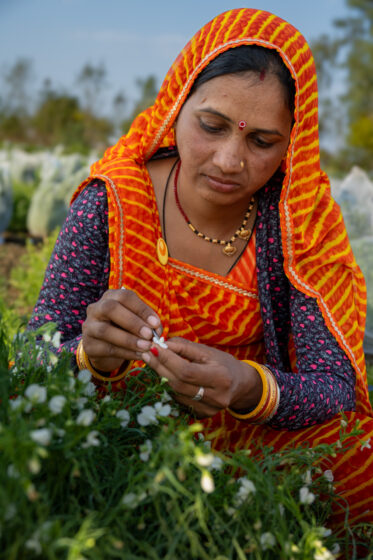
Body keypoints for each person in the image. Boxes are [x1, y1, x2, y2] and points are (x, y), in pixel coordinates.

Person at [28, 8, 373, 533]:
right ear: (176, 105)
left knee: (359, 457)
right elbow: (35, 351)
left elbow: (333, 387)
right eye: (211, 127)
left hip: (248, 432)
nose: (230, 160)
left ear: (291, 144)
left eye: (262, 142)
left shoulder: (297, 223)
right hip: (121, 418)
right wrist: (87, 354)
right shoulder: (115, 201)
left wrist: (244, 385)